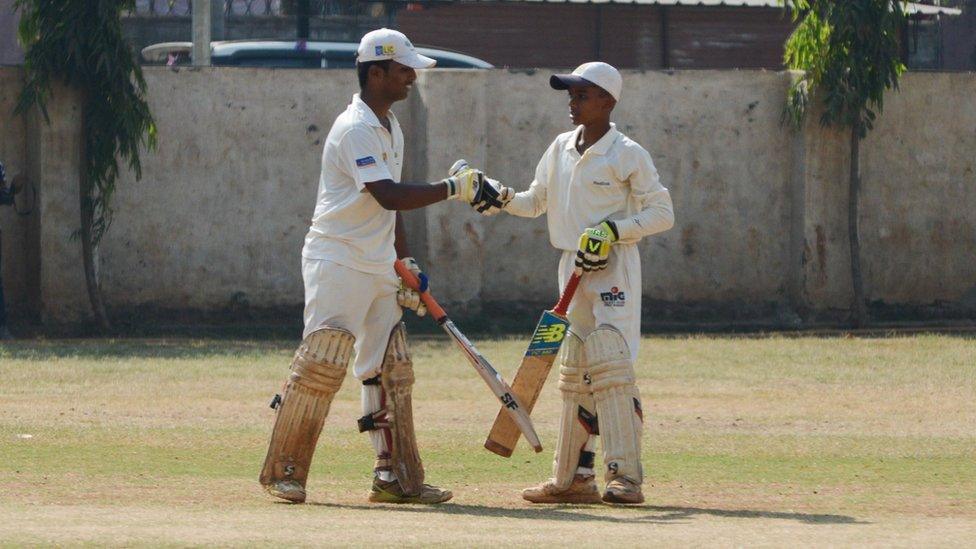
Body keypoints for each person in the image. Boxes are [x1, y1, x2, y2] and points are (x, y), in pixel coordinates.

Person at [259, 28, 503, 505]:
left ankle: (393, 477)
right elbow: (388, 193)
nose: (411, 77)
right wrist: (454, 188)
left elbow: (389, 210)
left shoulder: (391, 126)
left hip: (377, 263)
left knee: (389, 368)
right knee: (322, 361)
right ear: (376, 72)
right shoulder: (353, 128)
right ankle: (285, 470)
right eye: (402, 69)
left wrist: (403, 261)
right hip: (337, 260)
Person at [476, 62, 674, 504]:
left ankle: (625, 477)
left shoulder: (627, 152)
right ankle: (574, 478)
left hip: (613, 266)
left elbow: (663, 214)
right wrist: (499, 197)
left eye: (582, 95)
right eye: (571, 94)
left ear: (607, 101)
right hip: (571, 265)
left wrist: (613, 230)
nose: (573, 101)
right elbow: (534, 202)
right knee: (576, 371)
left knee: (612, 368)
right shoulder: (561, 146)